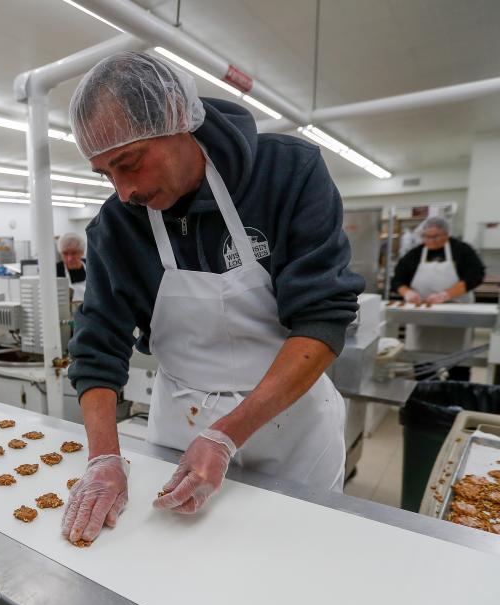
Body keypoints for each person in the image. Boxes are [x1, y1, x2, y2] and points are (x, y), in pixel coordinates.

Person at [61, 52, 364, 544]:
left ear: (180, 120)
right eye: (105, 174)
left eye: (129, 164)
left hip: (292, 421)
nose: (123, 191)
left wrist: (227, 433)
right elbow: (97, 347)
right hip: (181, 423)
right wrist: (103, 458)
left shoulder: (288, 173)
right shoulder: (116, 228)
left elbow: (323, 318)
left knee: (294, 557)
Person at [392, 215, 485, 377]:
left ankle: (457, 389)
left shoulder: (462, 251)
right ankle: (426, 391)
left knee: (458, 360)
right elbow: (397, 280)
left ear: (447, 234)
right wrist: (407, 292)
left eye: (435, 236)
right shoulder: (415, 254)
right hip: (423, 316)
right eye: (426, 236)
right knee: (422, 361)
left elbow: (476, 275)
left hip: (456, 314)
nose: (430, 240)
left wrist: (446, 294)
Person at [55, 232, 87, 302]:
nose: (69, 258)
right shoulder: (55, 271)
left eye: (74, 253)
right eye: (65, 253)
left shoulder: (91, 267)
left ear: (81, 252)